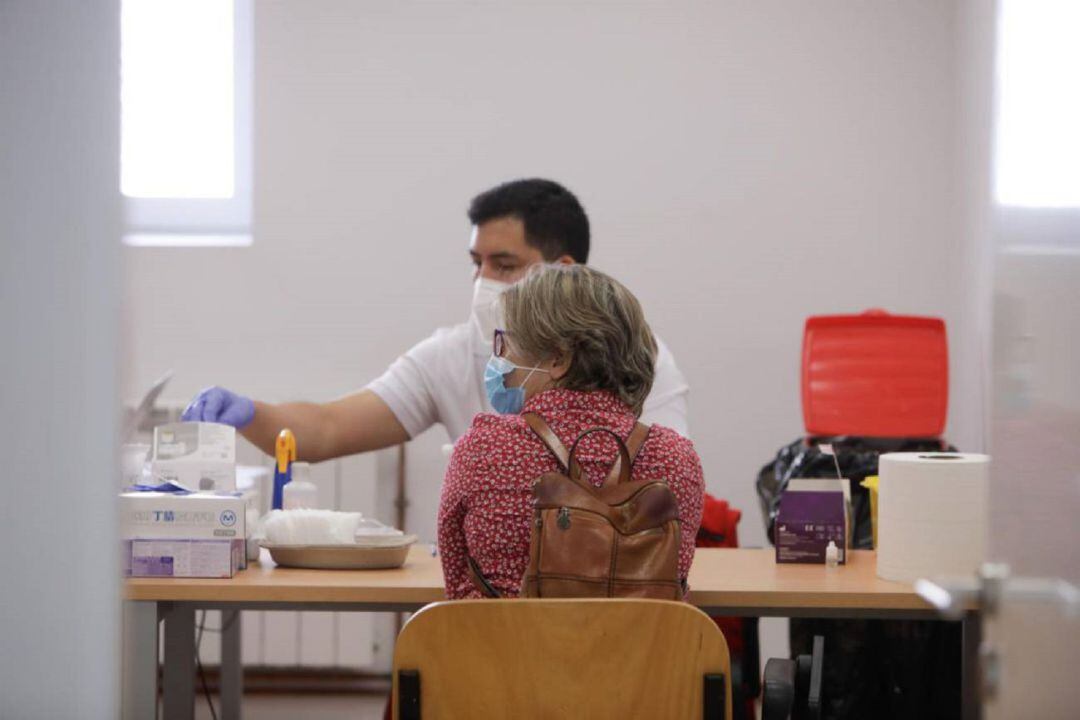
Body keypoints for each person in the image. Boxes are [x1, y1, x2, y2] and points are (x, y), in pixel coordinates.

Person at [181, 178, 690, 460]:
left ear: (563, 272)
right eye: (477, 263)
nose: (483, 281)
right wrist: (249, 412)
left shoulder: (638, 361)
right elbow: (330, 428)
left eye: (504, 265)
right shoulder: (454, 353)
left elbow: (660, 481)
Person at [438, 264, 704, 599]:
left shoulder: (483, 448)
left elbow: (456, 584)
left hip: (506, 649)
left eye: (506, 342)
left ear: (557, 358)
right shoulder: (677, 460)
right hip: (635, 651)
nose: (499, 359)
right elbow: (675, 592)